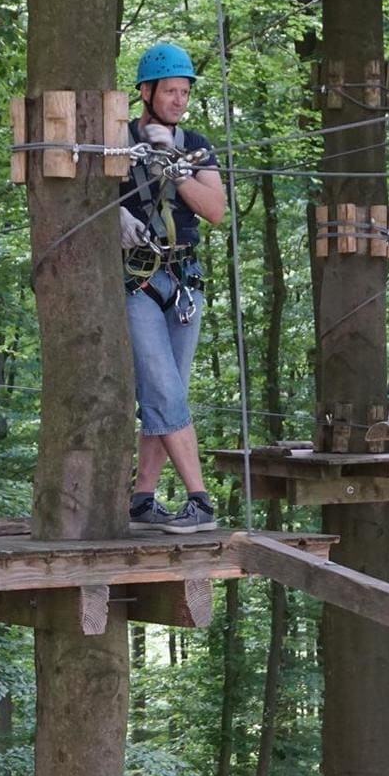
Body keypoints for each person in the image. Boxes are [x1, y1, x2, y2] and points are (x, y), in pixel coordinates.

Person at [120, 43, 227, 533]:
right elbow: (89, 197)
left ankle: (143, 497)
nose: (178, 99)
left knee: (171, 394)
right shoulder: (119, 140)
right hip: (137, 279)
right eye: (169, 91)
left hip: (183, 281)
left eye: (184, 92)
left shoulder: (197, 144)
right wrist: (116, 220)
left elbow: (215, 209)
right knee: (163, 392)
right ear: (146, 92)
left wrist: (175, 164)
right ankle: (200, 501)